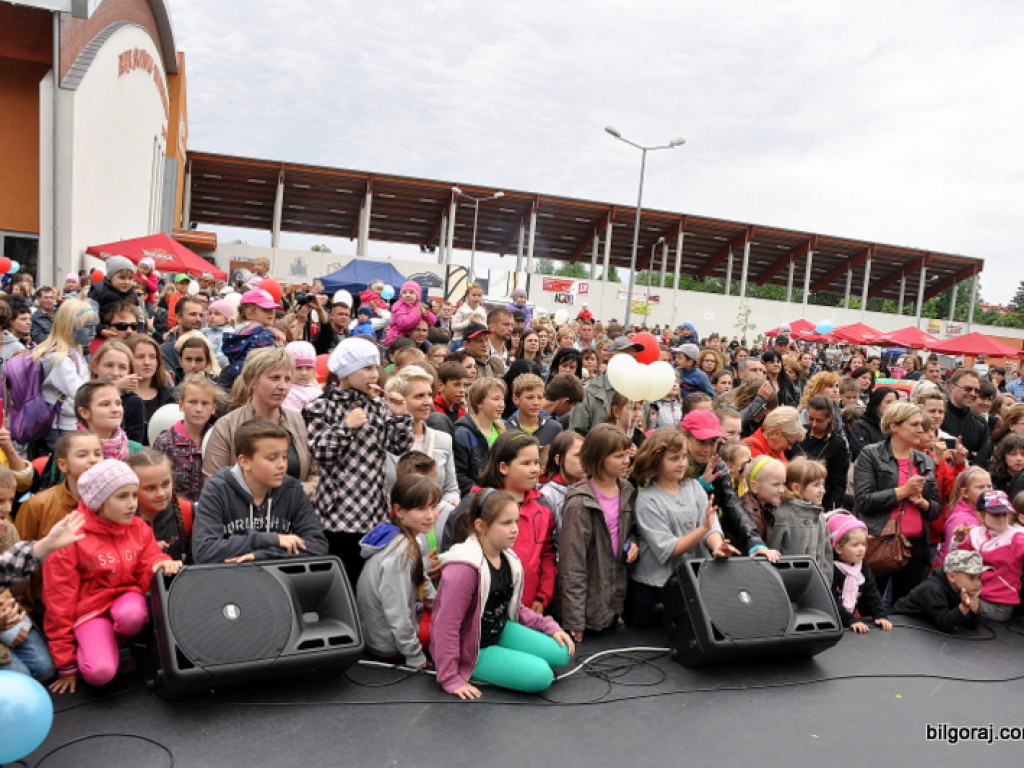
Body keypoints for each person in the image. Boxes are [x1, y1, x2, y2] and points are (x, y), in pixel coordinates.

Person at [44, 459, 182, 693]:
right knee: (99, 674)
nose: (131, 505)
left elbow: (149, 560)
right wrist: (65, 664)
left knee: (132, 615)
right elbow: (59, 603)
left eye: (133, 495)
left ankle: (123, 646)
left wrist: (161, 563)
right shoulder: (70, 537)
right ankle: (95, 648)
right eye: (121, 497)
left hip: (126, 601)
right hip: (90, 612)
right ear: (98, 501)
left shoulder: (138, 527)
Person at [430, 489, 574, 698]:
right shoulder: (464, 569)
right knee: (542, 675)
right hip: (473, 648)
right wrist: (450, 677)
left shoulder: (508, 558)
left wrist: (548, 626)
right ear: (481, 526)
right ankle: (475, 670)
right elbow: (447, 626)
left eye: (515, 521)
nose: (515, 529)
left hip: (498, 630)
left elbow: (515, 608)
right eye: (506, 523)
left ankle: (508, 660)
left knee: (561, 653)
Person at [305, 337, 413, 586]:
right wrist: (346, 427)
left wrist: (399, 417)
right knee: (342, 582)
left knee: (368, 583)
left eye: (375, 368)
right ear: (345, 371)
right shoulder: (321, 407)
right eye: (366, 368)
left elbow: (398, 447)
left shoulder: (377, 406)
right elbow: (321, 453)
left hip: (373, 513)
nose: (373, 374)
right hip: (337, 517)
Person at [627, 429, 736, 628]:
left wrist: (717, 546)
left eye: (684, 457)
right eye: (674, 458)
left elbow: (711, 526)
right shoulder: (647, 500)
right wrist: (703, 529)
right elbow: (668, 549)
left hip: (693, 581)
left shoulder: (694, 487)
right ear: (656, 461)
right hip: (655, 590)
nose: (682, 463)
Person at [192, 420, 328, 565]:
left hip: (279, 581)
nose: (282, 465)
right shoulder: (217, 490)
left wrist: (263, 556)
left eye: (284, 456)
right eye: (272, 458)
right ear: (245, 462)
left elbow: (318, 546)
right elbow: (204, 552)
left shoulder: (292, 489)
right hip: (229, 581)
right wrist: (271, 539)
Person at [853, 402, 940, 604]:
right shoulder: (871, 454)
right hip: (878, 540)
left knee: (906, 607)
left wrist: (922, 503)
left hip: (915, 545)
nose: (921, 429)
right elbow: (863, 500)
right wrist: (902, 492)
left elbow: (935, 509)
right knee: (869, 606)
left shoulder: (925, 461)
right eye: (915, 424)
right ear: (894, 426)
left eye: (922, 425)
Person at [559, 424, 639, 642]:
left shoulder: (628, 490)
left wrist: (633, 542)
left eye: (627, 455)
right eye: (618, 456)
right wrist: (575, 620)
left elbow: (633, 529)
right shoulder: (579, 503)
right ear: (599, 457)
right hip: (590, 604)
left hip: (618, 593)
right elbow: (572, 563)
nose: (626, 461)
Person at [205, 348, 318, 499]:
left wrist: (294, 493)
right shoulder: (227, 426)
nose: (283, 386)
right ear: (252, 381)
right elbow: (213, 484)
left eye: (287, 379)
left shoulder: (297, 420)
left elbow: (315, 474)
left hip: (293, 515)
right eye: (275, 378)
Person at [356, 474, 439, 668]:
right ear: (399, 511)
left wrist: (434, 603)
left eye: (434, 506)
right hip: (388, 644)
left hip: (387, 632)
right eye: (420, 508)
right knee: (456, 628)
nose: (430, 515)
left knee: (449, 611)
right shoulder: (401, 553)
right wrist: (415, 656)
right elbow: (397, 612)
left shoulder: (406, 537)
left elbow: (423, 582)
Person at [384, 367, 460, 515]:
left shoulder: (443, 439)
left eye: (429, 395)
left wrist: (447, 506)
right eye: (419, 396)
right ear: (397, 400)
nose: (428, 402)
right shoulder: (382, 441)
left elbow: (451, 489)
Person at [32, 298, 98, 450]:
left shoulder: (74, 350)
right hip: (60, 427)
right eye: (87, 327)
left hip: (70, 423)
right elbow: (81, 393)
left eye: (94, 327)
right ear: (69, 327)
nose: (93, 332)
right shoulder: (59, 358)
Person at [948, 489, 1024, 621]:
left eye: (1004, 515)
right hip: (972, 593)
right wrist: (959, 541)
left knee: (961, 606)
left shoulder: (1015, 537)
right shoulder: (974, 534)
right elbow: (956, 560)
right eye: (995, 515)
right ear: (981, 516)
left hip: (999, 604)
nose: (1001, 520)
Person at [153, 374, 221, 503]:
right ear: (181, 405)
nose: (198, 409)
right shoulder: (166, 441)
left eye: (205, 403)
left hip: (209, 514)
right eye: (192, 402)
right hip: (176, 513)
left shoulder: (218, 438)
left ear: (213, 409)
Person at [769, 457, 832, 583]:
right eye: (816, 485)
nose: (822, 491)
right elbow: (773, 551)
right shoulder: (782, 515)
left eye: (823, 484)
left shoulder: (818, 514)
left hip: (815, 586)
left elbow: (826, 555)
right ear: (796, 487)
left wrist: (825, 582)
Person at [826, 512, 891, 634]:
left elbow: (871, 592)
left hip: (852, 616)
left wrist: (880, 615)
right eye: (855, 545)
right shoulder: (831, 568)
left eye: (864, 544)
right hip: (832, 621)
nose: (861, 549)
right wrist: (851, 620)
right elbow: (831, 600)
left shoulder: (862, 566)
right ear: (839, 548)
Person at [891, 549, 985, 632]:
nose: (977, 583)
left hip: (930, 625)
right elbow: (947, 624)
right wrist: (963, 608)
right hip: (904, 624)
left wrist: (974, 604)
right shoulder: (933, 589)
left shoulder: (961, 588)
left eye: (979, 577)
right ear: (951, 576)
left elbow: (971, 626)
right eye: (971, 578)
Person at [568, 336, 644, 436]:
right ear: (610, 357)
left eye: (633, 357)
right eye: (624, 356)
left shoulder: (641, 391)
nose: (630, 361)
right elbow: (576, 433)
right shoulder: (589, 391)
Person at [126, 450, 192, 563]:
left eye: (165, 484)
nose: (161, 493)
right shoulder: (120, 518)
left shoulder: (186, 512)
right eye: (150, 488)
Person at [793, 395, 849, 511]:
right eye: (811, 418)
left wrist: (832, 509)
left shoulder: (837, 444)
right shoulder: (799, 433)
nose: (813, 424)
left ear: (830, 419)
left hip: (821, 502)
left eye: (819, 421)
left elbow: (839, 482)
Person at [453, 377, 507, 496]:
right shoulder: (463, 433)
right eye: (495, 399)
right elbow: (459, 477)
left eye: (502, 399)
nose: (502, 404)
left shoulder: (503, 429)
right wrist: (484, 494)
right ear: (479, 403)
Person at [89, 341, 146, 445]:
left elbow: (134, 444)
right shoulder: (83, 395)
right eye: (109, 365)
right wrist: (114, 387)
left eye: (122, 367)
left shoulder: (133, 402)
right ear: (94, 367)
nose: (115, 373)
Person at [75, 381, 141, 461]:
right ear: (84, 412)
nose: (115, 410)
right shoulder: (71, 450)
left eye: (118, 403)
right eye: (105, 404)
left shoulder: (135, 450)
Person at [126, 334, 175, 439]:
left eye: (152, 357)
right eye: (140, 357)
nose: (147, 363)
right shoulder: (120, 397)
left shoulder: (170, 396)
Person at [538, 430, 584, 537]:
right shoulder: (547, 495)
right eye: (578, 456)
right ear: (558, 459)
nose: (584, 460)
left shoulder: (588, 488)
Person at [941, 367, 989, 459]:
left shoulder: (980, 423)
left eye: (977, 391)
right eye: (968, 389)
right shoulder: (939, 415)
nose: (973, 394)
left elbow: (983, 459)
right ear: (952, 387)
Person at [506, 372, 562, 446]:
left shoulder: (554, 428)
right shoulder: (505, 429)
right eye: (530, 398)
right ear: (516, 399)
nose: (536, 403)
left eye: (540, 397)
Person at [740, 456, 787, 544]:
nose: (782, 490)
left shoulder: (767, 507)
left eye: (783, 484)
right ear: (754, 486)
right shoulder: (751, 515)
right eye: (776, 484)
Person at [161, 296, 205, 377]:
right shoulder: (166, 350)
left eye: (201, 315)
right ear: (178, 317)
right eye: (193, 314)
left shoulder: (207, 343)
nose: (198, 319)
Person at [848, 387, 897, 461]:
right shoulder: (861, 426)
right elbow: (861, 454)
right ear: (876, 404)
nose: (892, 406)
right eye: (888, 402)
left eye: (894, 403)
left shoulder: (897, 425)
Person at [383, 282, 436, 346]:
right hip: (399, 336)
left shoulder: (419, 305)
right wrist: (418, 313)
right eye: (404, 292)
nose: (407, 295)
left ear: (417, 296)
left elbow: (432, 321)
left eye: (411, 292)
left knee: (429, 346)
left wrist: (426, 313)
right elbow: (404, 323)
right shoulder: (398, 307)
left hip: (415, 335)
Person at [282, 341, 322, 411]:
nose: (304, 373)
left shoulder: (316, 388)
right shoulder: (287, 393)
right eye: (298, 368)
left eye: (309, 368)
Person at [433, 361, 470, 429]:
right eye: (456, 385)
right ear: (440, 385)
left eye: (465, 385)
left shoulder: (462, 410)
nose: (462, 390)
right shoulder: (433, 410)